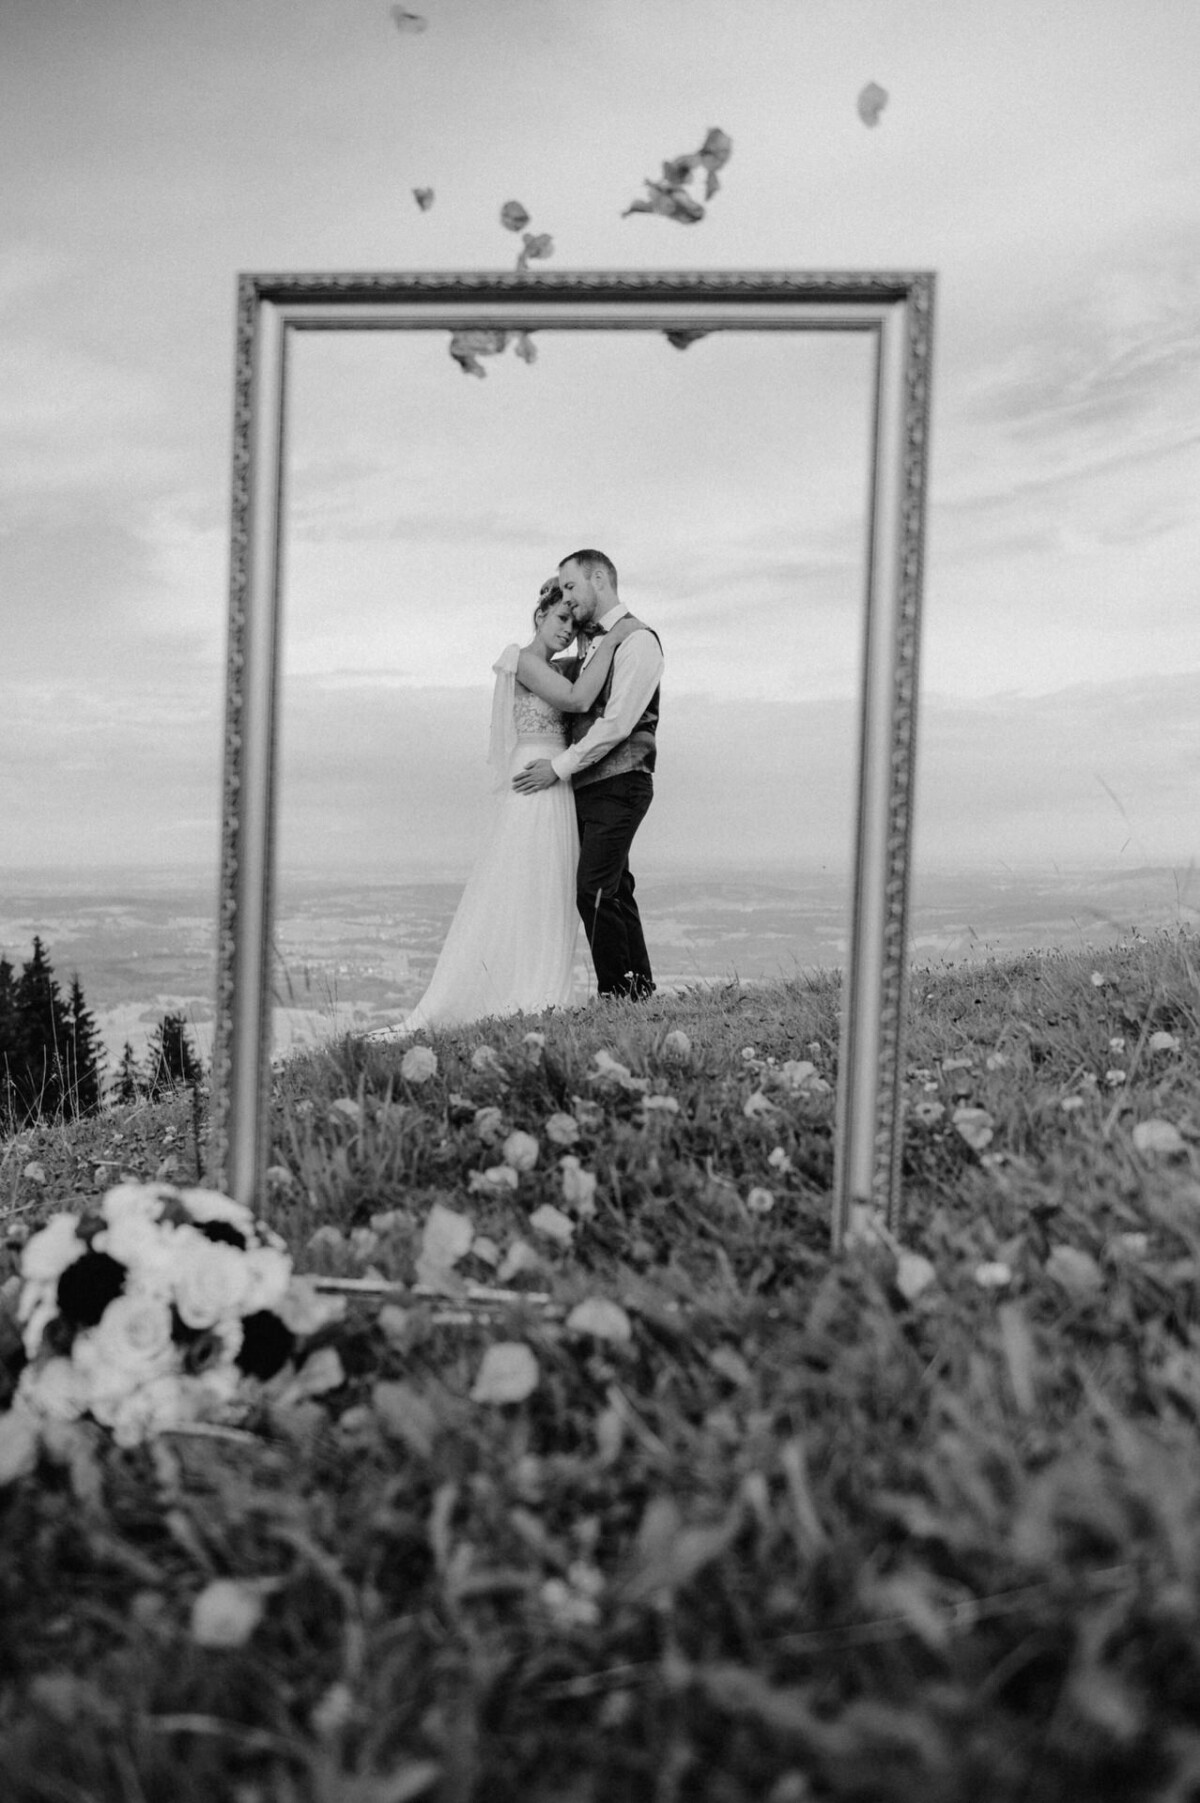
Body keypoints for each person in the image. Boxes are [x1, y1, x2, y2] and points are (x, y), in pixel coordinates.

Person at [365, 578, 635, 1040]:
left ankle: (538, 987)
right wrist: (617, 639)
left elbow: (583, 677)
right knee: (521, 881)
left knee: (548, 884)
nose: (568, 629)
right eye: (561, 618)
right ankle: (518, 990)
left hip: (556, 779)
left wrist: (599, 639)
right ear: (540, 615)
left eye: (575, 623)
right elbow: (576, 700)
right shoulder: (523, 661)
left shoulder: (557, 665)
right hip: (535, 777)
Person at [512, 549, 663, 1000]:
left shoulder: (637, 640)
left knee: (593, 889)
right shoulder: (587, 642)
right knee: (616, 888)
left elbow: (615, 724)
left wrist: (557, 768)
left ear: (599, 578)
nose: (569, 599)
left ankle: (616, 994)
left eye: (573, 586)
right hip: (591, 787)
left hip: (622, 781)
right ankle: (638, 990)